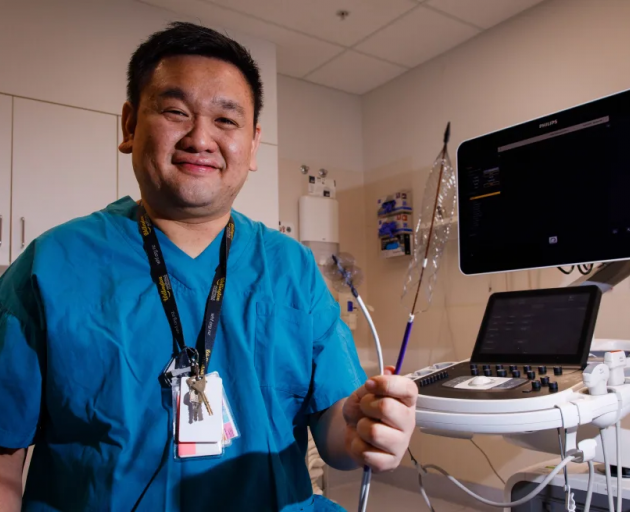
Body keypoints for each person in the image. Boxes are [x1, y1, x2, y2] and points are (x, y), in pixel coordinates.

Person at [0, 22, 417, 511]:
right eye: (176, 111)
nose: (200, 138)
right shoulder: (51, 266)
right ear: (130, 126)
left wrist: (364, 428)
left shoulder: (291, 269)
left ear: (253, 144)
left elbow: (334, 431)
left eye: (226, 120)